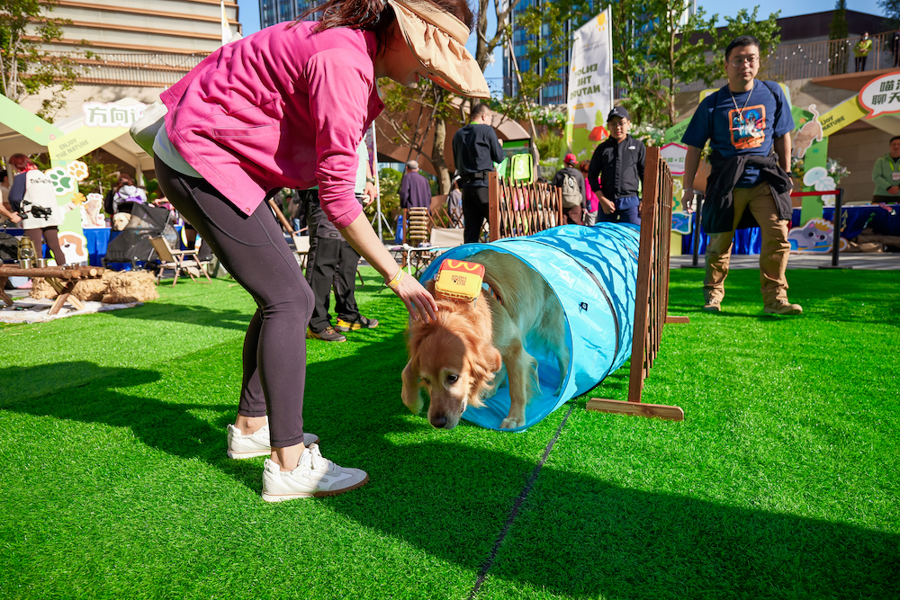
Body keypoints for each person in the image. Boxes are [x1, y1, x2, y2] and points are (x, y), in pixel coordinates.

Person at [150, 0, 487, 502]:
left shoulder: (350, 49)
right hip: (199, 157)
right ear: (401, 33)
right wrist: (397, 275)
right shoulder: (344, 60)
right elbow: (337, 198)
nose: (429, 76)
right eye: (428, 58)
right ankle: (288, 465)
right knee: (290, 300)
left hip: (210, 153)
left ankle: (251, 426)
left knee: (287, 296)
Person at [680, 35, 799, 316]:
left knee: (778, 237)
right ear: (726, 65)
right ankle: (713, 297)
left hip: (764, 180)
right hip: (726, 184)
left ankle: (776, 300)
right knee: (720, 242)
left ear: (758, 62)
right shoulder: (712, 104)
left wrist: (786, 174)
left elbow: (783, 136)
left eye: (751, 59)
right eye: (738, 60)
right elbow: (694, 148)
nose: (745, 64)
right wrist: (688, 188)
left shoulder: (772, 93)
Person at [304, 141, 380, 342]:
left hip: (353, 191)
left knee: (348, 257)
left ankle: (348, 315)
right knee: (325, 256)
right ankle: (316, 322)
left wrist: (369, 180)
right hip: (326, 186)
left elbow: (361, 150)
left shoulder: (359, 124)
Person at [452, 102, 504, 243]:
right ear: (484, 116)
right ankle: (497, 256)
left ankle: (470, 256)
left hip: (467, 188)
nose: (491, 122)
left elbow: (456, 163)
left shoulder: (458, 135)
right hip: (485, 186)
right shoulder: (486, 131)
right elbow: (499, 157)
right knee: (497, 228)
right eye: (491, 118)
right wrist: (499, 145)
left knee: (471, 231)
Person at [588, 107, 645, 225]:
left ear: (628, 124)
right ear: (608, 126)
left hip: (631, 203)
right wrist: (602, 199)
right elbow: (592, 175)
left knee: (633, 233)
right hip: (607, 203)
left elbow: (646, 175)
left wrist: (645, 200)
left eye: (621, 123)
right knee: (604, 235)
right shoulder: (602, 149)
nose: (617, 127)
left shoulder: (638, 147)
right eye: (613, 124)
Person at [6, 154, 66, 265]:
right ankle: (65, 271)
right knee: (55, 247)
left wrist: (18, 212)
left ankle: (39, 275)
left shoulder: (22, 177)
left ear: (17, 165)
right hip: (51, 215)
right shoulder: (44, 176)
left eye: (13, 166)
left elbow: (14, 197)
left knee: (35, 249)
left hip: (32, 216)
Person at [398, 159, 432, 240]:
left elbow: (404, 193)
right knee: (422, 230)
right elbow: (429, 195)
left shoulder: (407, 177)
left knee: (413, 230)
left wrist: (403, 205)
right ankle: (422, 243)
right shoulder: (424, 179)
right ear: (417, 169)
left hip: (412, 209)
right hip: (424, 210)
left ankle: (413, 244)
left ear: (407, 168)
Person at [552, 153, 586, 225]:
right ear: (574, 164)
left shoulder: (559, 174)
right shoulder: (579, 174)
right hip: (576, 205)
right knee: (575, 227)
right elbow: (582, 190)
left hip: (562, 205)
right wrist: (583, 206)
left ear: (565, 162)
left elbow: (553, 190)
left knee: (563, 227)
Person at [871, 136, 900, 203]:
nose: (896, 146)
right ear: (890, 146)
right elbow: (876, 176)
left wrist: (899, 187)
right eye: (894, 144)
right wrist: (888, 187)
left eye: (899, 144)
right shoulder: (881, 160)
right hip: (881, 195)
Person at [579, 160, 600, 226]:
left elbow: (588, 195)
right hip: (599, 206)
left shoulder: (587, 180)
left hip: (591, 207)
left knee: (590, 227)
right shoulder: (599, 179)